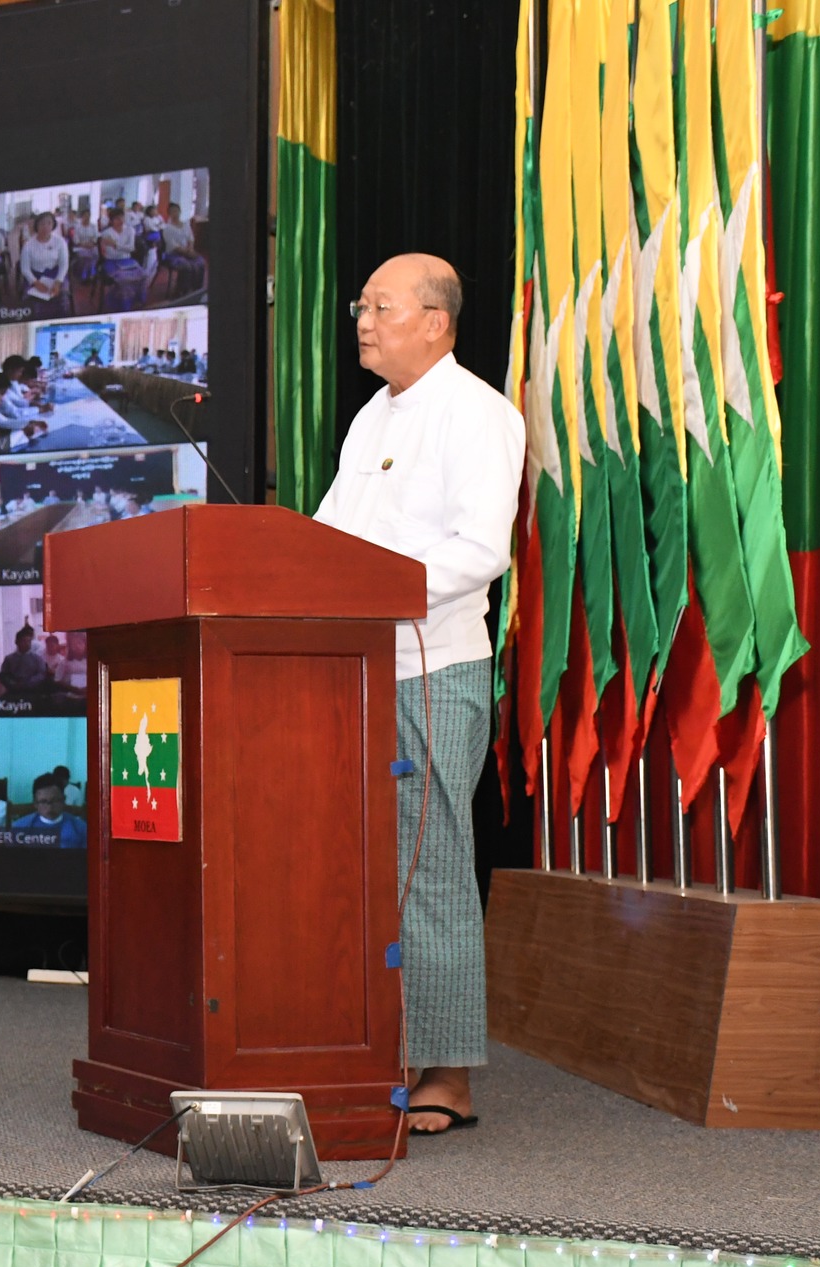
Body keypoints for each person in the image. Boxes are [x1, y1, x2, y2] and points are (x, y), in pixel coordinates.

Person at [313, 253, 522, 1136]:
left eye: (382, 305)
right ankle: (378, 1046)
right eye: (362, 304)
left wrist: (366, 589)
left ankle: (448, 1072)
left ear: (436, 319)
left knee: (430, 866)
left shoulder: (481, 414)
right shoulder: (374, 415)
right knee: (362, 867)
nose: (363, 318)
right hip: (356, 669)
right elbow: (329, 534)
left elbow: (482, 550)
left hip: (433, 667)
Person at [10, 773, 86, 847]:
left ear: (63, 800)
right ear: (35, 803)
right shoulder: (18, 828)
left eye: (55, 801)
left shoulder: (81, 828)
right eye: (43, 802)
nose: (50, 808)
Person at [17, 211, 70, 311]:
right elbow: (25, 269)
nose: (45, 227)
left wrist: (58, 282)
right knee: (29, 303)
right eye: (42, 224)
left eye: (49, 223)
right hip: (35, 277)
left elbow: (64, 264)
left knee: (63, 300)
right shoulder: (28, 245)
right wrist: (36, 283)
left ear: (53, 225)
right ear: (36, 226)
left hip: (56, 275)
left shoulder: (60, 242)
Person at [0, 624, 51, 696]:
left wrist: (28, 683)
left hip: (32, 690)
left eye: (29, 641)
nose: (27, 644)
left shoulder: (37, 659)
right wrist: (13, 683)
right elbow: (4, 675)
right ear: (17, 642)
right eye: (23, 641)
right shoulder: (9, 659)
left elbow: (41, 674)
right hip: (13, 690)